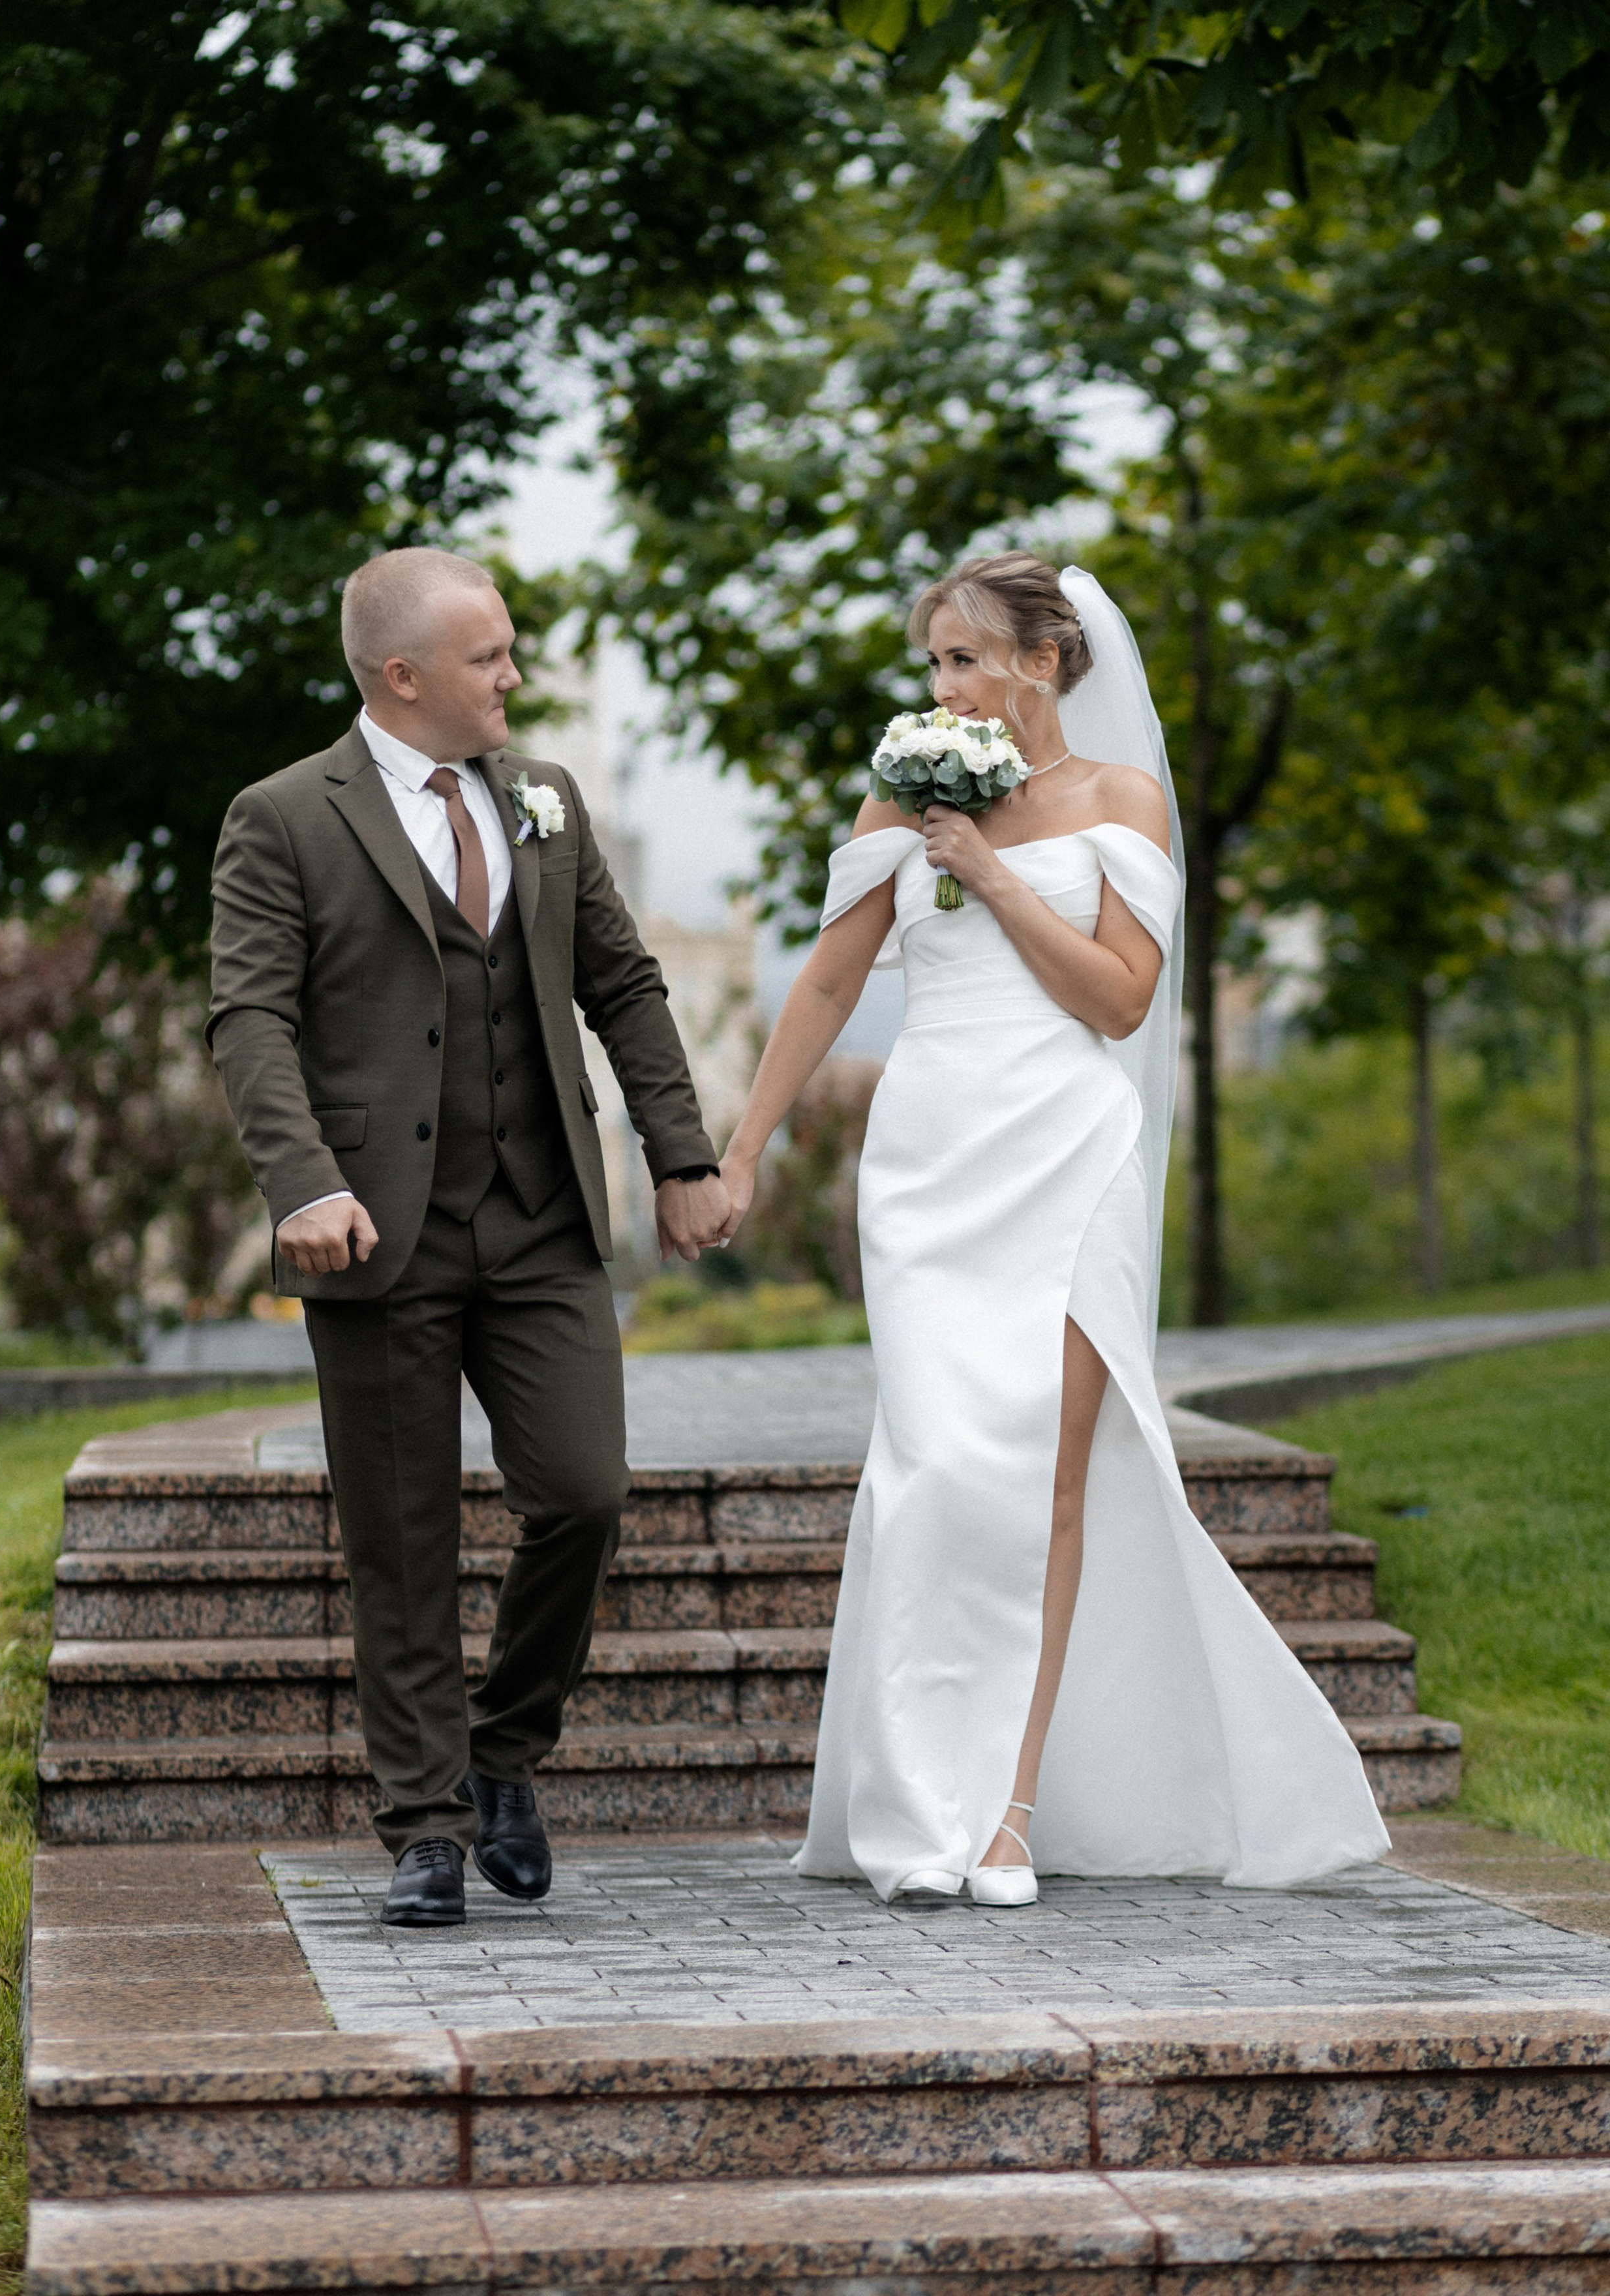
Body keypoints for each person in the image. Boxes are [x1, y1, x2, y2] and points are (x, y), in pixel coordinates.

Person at [719, 554, 1389, 1903]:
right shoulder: (895, 795)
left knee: (1046, 1478)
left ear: (1044, 659)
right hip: (924, 1161)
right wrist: (740, 1152)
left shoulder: (1119, 801)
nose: (942, 686)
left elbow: (1119, 1004)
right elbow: (831, 979)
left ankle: (1008, 1814)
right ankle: (914, 1806)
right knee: (926, 1467)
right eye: (931, 664)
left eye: (963, 657)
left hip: (1065, 1156)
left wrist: (988, 870)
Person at [207, 548, 730, 1927]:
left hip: (544, 1216)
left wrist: (680, 1155)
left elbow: (619, 983)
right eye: (490, 655)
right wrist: (300, 1181)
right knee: (401, 1537)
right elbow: (250, 1020)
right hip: (373, 1229)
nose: (514, 675)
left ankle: (505, 1751)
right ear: (402, 676)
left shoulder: (546, 802)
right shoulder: (281, 818)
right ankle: (425, 1825)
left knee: (585, 1492)